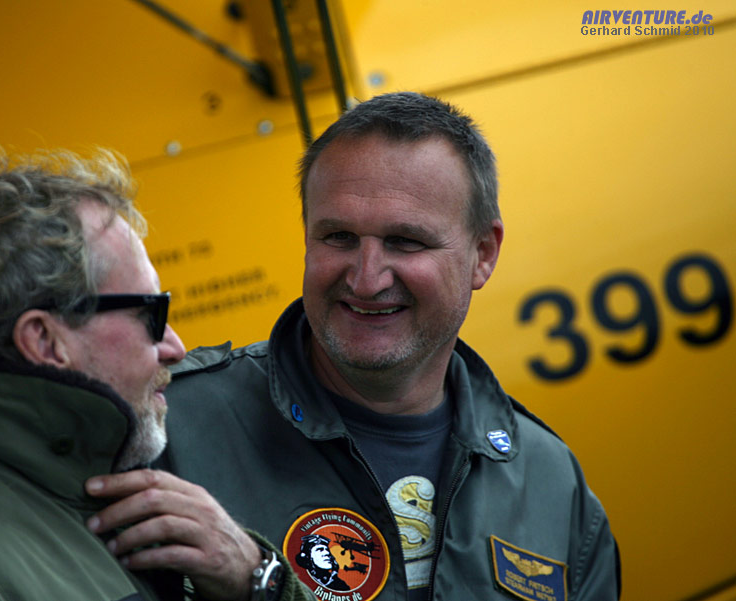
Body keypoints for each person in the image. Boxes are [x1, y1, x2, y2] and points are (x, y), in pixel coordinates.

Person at [86, 92, 621, 600]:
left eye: (405, 241)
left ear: (483, 254)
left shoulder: (552, 484)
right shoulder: (164, 430)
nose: (366, 279)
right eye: (338, 237)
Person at [0, 143, 306, 601]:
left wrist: (257, 582)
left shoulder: (73, 500)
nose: (175, 348)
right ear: (44, 340)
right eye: (151, 314)